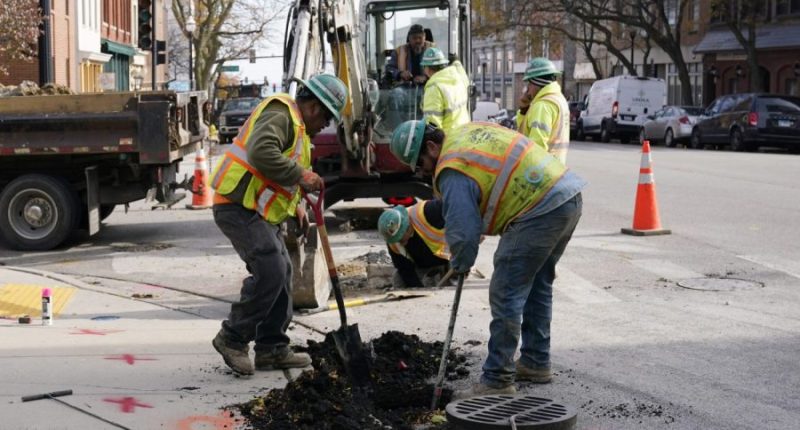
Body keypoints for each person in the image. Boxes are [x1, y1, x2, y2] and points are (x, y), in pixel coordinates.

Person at [389, 120, 585, 398]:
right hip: (566, 195)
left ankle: (497, 380)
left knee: (506, 291)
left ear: (431, 147)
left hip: (538, 208)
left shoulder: (451, 165)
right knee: (538, 284)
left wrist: (460, 261)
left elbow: (462, 227)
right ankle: (535, 360)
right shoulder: (462, 134)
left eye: (420, 164)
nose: (422, 172)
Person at [208, 74, 348, 375]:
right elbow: (261, 153)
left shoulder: (297, 129)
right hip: (237, 206)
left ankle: (272, 348)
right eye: (326, 116)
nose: (326, 124)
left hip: (255, 210)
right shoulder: (281, 113)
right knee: (270, 268)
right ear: (313, 105)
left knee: (281, 271)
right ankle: (232, 338)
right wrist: (301, 175)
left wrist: (296, 204)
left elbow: (278, 175)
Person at [377, 200, 450, 289]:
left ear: (406, 227)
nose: (398, 242)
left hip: (450, 258)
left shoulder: (429, 212)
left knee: (453, 285)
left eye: (399, 238)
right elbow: (405, 269)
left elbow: (458, 210)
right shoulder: (392, 241)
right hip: (423, 265)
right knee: (399, 281)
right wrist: (418, 290)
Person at [516, 57, 571, 164]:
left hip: (540, 171)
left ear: (537, 83)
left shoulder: (542, 105)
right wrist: (524, 109)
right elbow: (525, 130)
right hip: (555, 166)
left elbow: (537, 145)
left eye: (529, 84)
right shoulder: (558, 100)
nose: (527, 89)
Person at [420, 47, 471, 134]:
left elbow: (432, 124)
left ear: (426, 69)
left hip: (448, 140)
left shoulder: (434, 88)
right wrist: (456, 61)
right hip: (464, 134)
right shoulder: (459, 77)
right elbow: (462, 71)